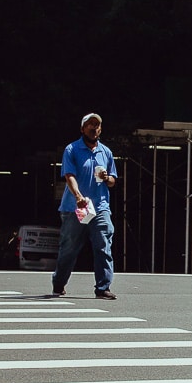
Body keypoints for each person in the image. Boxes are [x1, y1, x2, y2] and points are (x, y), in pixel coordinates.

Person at [51, 113, 118, 300]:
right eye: (90, 125)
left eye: (97, 125)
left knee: (103, 245)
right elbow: (69, 176)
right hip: (76, 207)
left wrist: (107, 178)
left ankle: (103, 287)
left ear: (101, 129)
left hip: (100, 207)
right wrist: (78, 196)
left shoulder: (106, 152)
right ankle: (59, 283)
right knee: (69, 248)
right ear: (82, 129)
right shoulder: (72, 149)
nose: (94, 128)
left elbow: (113, 180)